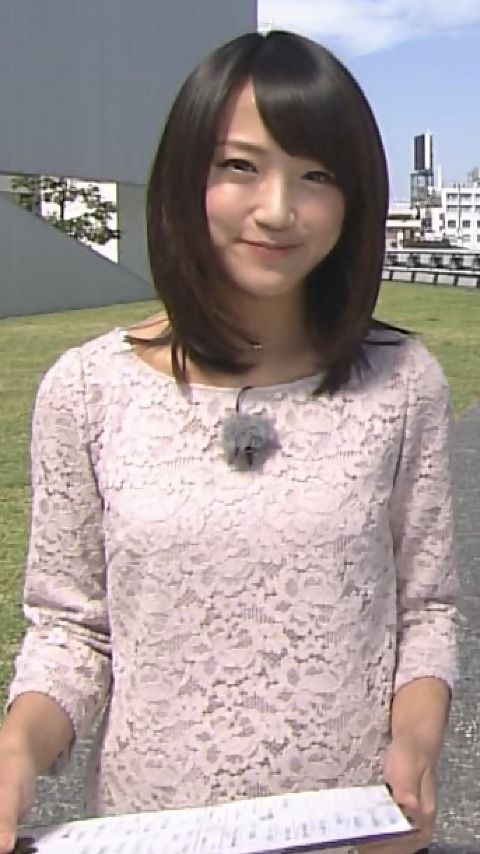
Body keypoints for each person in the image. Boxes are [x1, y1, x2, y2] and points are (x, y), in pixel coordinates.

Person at [0, 29, 457, 854]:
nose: (277, 209)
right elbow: (72, 631)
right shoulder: (87, 390)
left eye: (317, 175)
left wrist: (414, 748)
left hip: (351, 832)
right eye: (240, 166)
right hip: (150, 831)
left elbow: (425, 608)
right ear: (185, 177)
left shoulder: (402, 381)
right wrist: (17, 752)